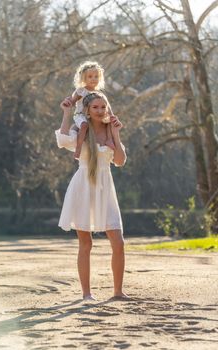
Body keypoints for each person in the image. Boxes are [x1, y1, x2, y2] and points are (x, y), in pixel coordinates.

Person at [55, 92, 128, 301]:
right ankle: (86, 294)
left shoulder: (109, 129)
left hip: (106, 188)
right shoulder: (81, 130)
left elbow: (120, 161)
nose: (100, 110)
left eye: (103, 107)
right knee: (86, 244)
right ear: (87, 110)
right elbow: (62, 140)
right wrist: (67, 112)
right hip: (83, 187)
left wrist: (116, 134)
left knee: (119, 242)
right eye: (95, 107)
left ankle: (118, 292)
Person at [63, 61, 114, 159]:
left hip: (94, 117)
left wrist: (112, 116)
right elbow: (72, 102)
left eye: (96, 77)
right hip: (81, 115)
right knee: (84, 125)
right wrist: (68, 101)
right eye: (90, 77)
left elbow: (107, 107)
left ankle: (109, 140)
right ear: (84, 78)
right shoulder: (81, 91)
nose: (93, 79)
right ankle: (78, 148)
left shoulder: (99, 94)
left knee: (108, 121)